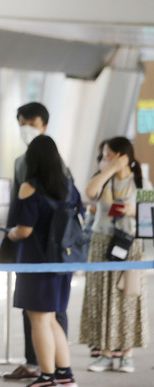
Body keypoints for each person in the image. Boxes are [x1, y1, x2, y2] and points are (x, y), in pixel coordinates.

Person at [6, 135, 80, 387]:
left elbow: (24, 230)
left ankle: (47, 378)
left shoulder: (30, 186)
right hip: (63, 262)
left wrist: (11, 234)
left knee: (39, 319)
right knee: (51, 319)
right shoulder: (69, 186)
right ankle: (65, 374)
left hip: (36, 262)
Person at [80, 136, 150, 373]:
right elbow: (89, 192)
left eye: (109, 155)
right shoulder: (103, 181)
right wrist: (110, 169)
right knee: (102, 297)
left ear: (123, 156)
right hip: (102, 244)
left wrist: (132, 213)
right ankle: (106, 353)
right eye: (103, 156)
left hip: (130, 245)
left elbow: (149, 223)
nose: (104, 159)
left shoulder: (141, 184)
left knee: (128, 298)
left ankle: (127, 354)